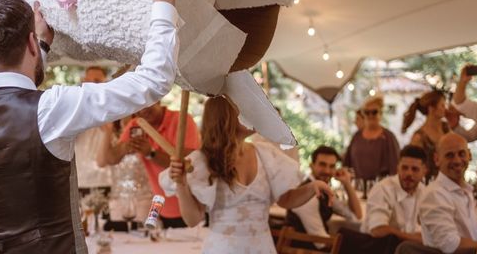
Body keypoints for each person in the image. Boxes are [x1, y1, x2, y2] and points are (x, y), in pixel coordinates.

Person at [0, 0, 183, 252]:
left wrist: (41, 48)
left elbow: (19, 91)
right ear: (29, 44)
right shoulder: (53, 108)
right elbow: (153, 79)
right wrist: (164, 1)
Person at [160, 96, 334, 254]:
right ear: (226, 117)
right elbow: (193, 220)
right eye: (244, 108)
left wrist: (312, 187)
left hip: (262, 248)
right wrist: (181, 184)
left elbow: (286, 200)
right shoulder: (202, 161)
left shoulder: (265, 154)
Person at [101, 100, 200, 227]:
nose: (143, 110)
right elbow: (111, 159)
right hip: (160, 207)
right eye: (138, 107)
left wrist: (151, 153)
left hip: (189, 204)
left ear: (157, 99)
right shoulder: (136, 124)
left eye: (147, 105)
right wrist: (125, 146)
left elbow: (187, 165)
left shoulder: (182, 120)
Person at [418, 133, 477, 253]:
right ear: (437, 159)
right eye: (449, 155)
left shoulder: (465, 191)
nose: (457, 161)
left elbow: (475, 235)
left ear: (470, 155)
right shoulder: (434, 194)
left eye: (461, 154)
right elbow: (450, 245)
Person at [287, 145, 362, 239]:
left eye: (332, 166)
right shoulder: (308, 195)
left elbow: (356, 216)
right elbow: (320, 241)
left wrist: (346, 183)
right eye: (322, 164)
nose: (327, 171)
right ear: (312, 166)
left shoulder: (325, 191)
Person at [360, 145, 426, 244]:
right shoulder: (383, 189)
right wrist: (415, 239)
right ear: (397, 168)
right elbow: (377, 230)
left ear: (424, 171)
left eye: (415, 169)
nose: (409, 173)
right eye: (404, 168)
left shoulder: (425, 192)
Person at [96, 117, 152, 230]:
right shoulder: (112, 136)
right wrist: (107, 131)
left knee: (143, 239)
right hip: (117, 199)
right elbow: (101, 162)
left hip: (143, 198)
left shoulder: (146, 131)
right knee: (119, 242)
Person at [74, 66, 113, 196]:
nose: (92, 86)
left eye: (97, 82)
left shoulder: (112, 111)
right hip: (79, 182)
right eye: (88, 82)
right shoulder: (74, 109)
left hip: (104, 181)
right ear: (83, 82)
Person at [344, 96, 399, 181]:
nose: (370, 115)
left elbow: (395, 166)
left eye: (374, 112)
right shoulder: (357, 136)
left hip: (381, 187)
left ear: (380, 113)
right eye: (367, 112)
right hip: (358, 186)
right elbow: (347, 163)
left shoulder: (388, 137)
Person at [402, 90, 449, 180]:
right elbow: (414, 164)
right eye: (442, 105)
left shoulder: (446, 128)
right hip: (428, 183)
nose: (445, 109)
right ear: (431, 108)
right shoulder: (419, 137)